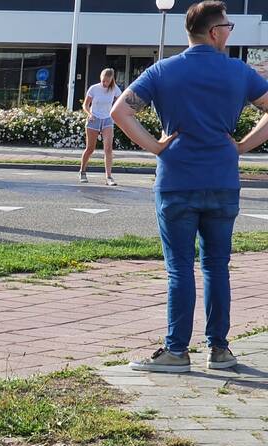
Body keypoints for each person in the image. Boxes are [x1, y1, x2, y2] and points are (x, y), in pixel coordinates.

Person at [112, 0, 268, 373]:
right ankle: (220, 350)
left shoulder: (163, 71)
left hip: (176, 181)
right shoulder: (239, 72)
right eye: (228, 26)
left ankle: (176, 352)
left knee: (179, 268)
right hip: (222, 180)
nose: (230, 32)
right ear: (215, 32)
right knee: (217, 266)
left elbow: (120, 111)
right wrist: (244, 145)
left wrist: (155, 146)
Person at [79, 68, 122, 186]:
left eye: (107, 81)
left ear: (111, 80)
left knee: (108, 148)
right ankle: (82, 171)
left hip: (107, 119)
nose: (105, 83)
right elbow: (85, 105)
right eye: (103, 81)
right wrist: (89, 114)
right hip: (94, 119)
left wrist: (117, 113)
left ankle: (109, 177)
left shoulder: (114, 89)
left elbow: (121, 101)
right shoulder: (94, 88)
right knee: (90, 148)